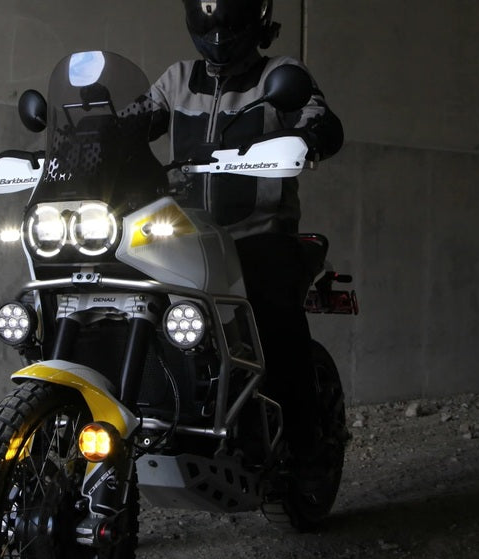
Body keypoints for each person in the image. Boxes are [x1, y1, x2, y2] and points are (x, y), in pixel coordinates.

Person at [146, 0, 344, 472]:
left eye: (229, 11)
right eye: (208, 10)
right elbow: (135, 120)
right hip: (184, 237)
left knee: (273, 316)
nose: (217, 24)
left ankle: (306, 446)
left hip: (258, 232)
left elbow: (320, 118)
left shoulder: (279, 75)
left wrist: (310, 135)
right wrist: (96, 128)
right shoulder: (176, 79)